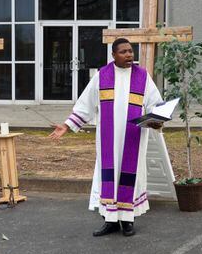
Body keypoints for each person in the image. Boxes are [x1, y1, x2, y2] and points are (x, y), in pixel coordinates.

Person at [48, 38, 163, 237]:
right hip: (108, 140)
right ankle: (109, 221)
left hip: (133, 138)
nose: (129, 55)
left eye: (131, 51)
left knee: (130, 177)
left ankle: (128, 221)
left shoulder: (142, 77)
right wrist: (67, 126)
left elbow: (155, 104)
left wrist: (157, 118)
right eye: (124, 52)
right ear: (113, 55)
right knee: (108, 177)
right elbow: (86, 104)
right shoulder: (103, 76)